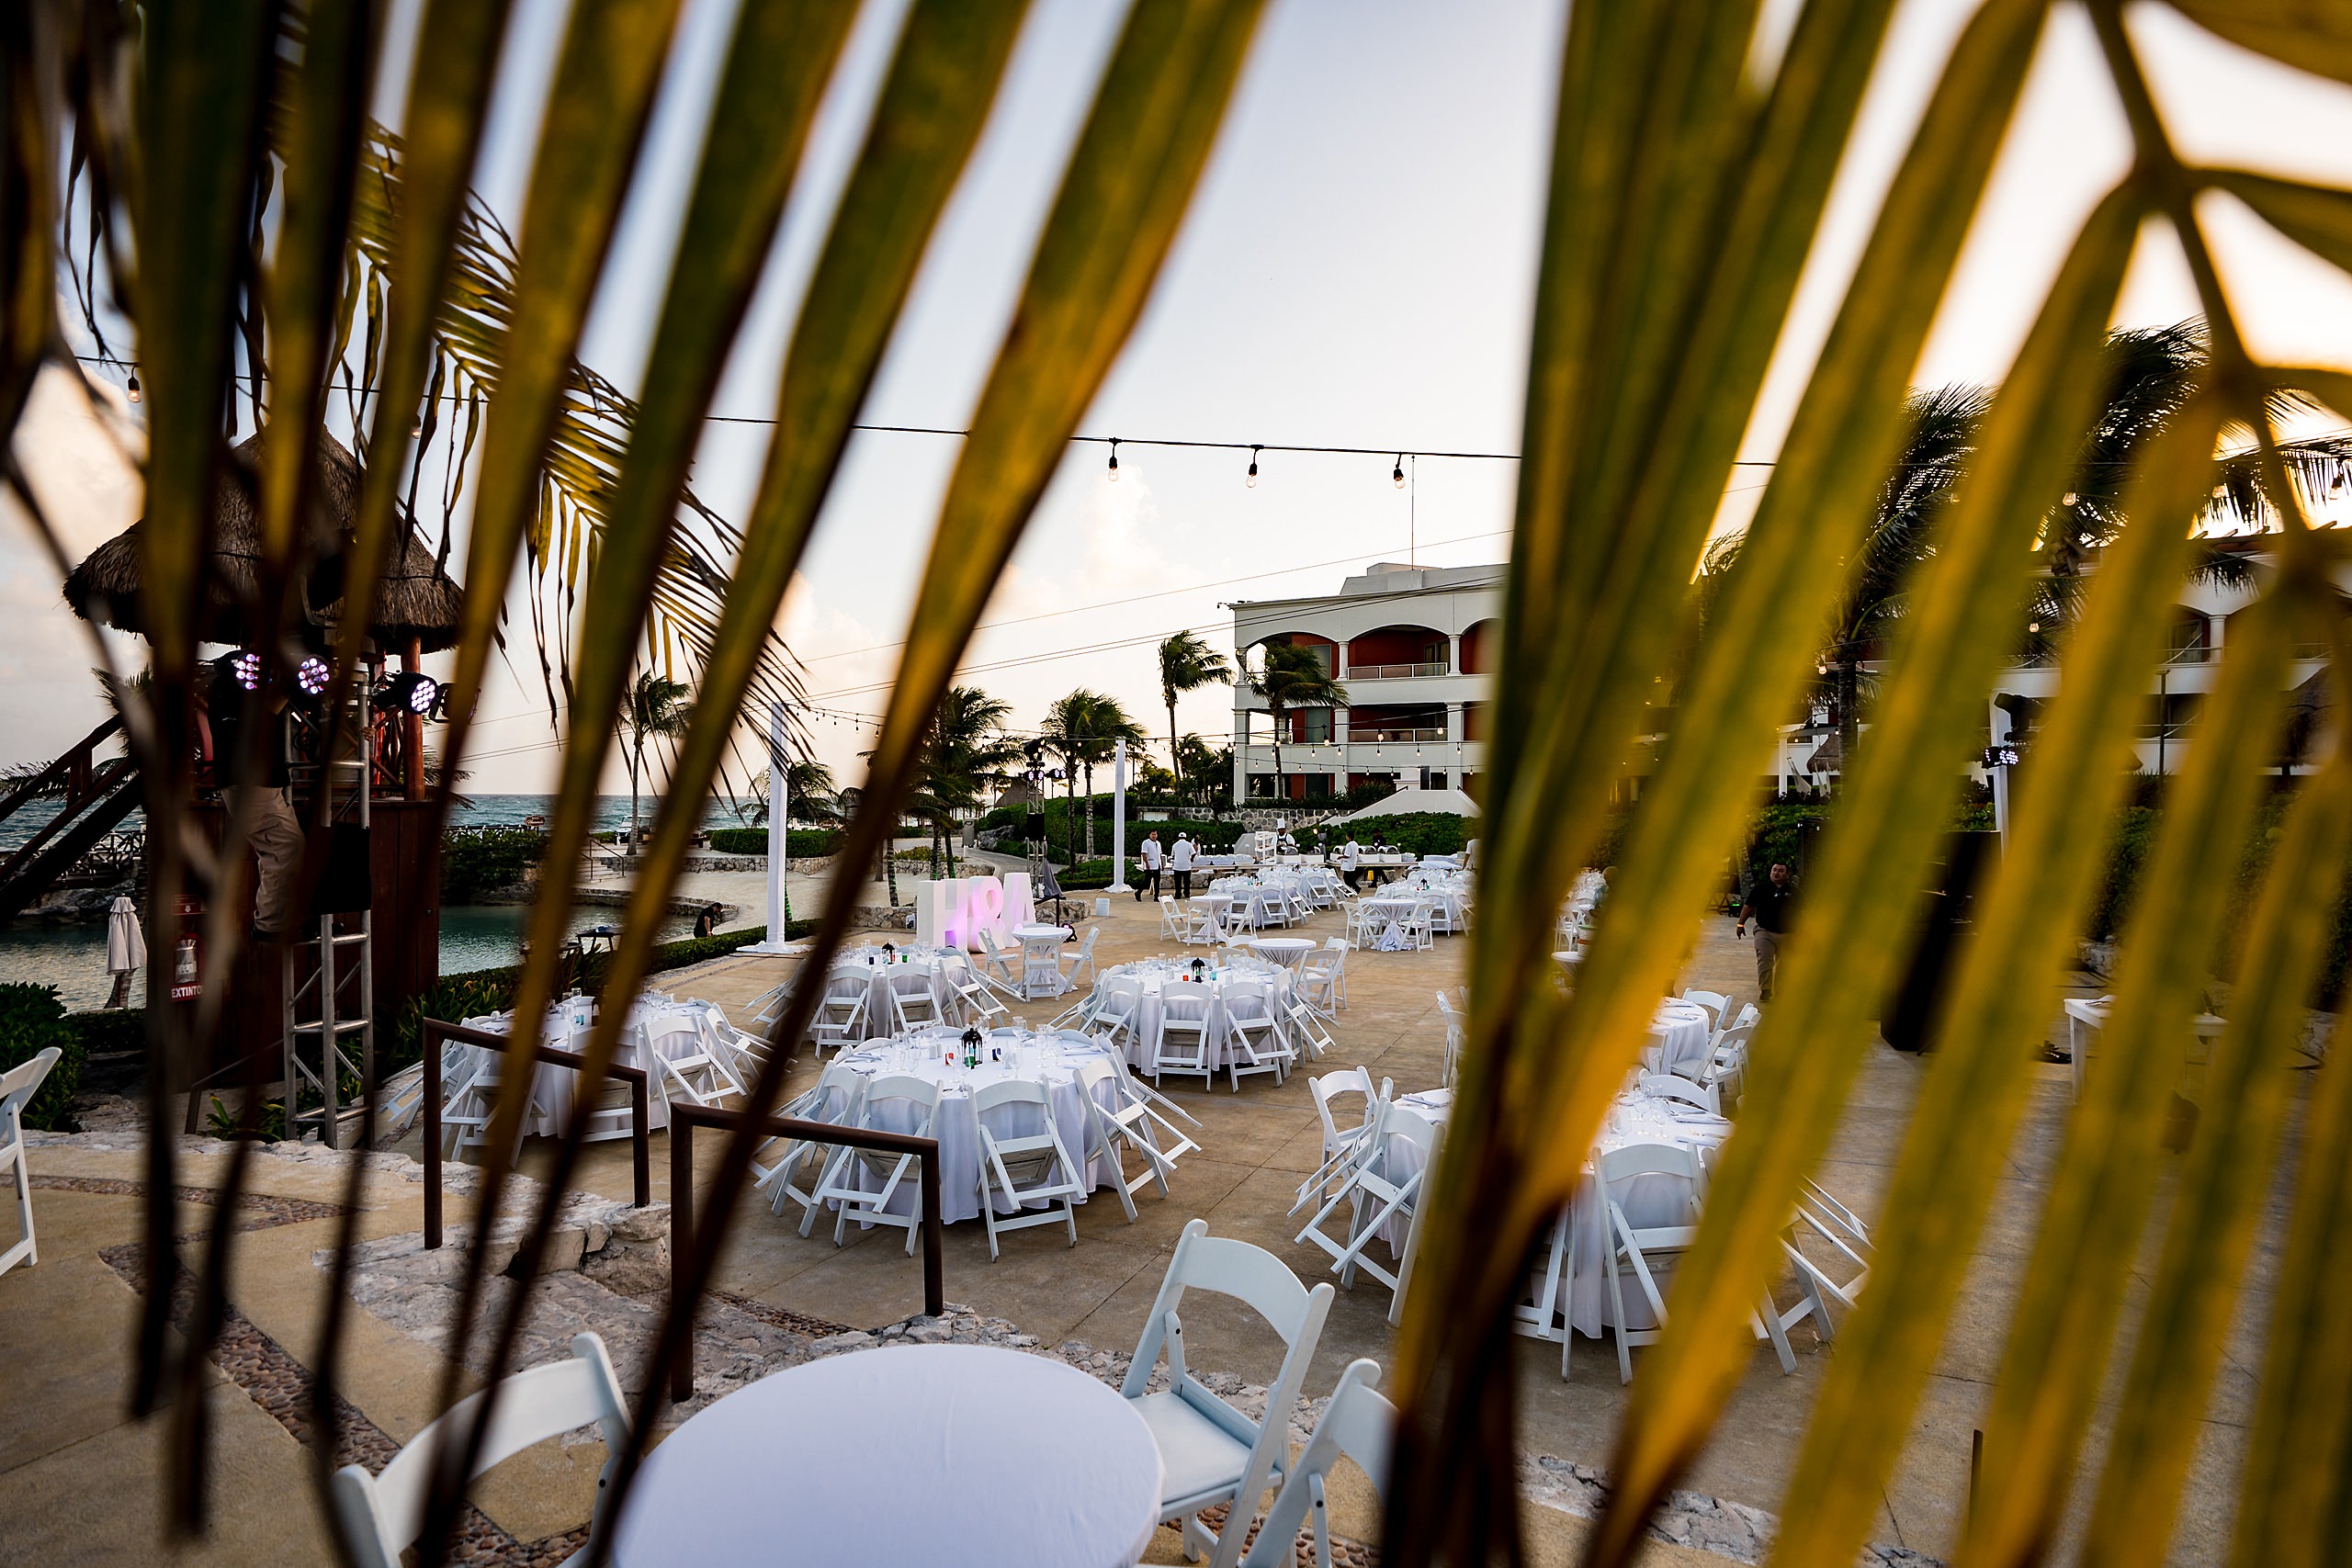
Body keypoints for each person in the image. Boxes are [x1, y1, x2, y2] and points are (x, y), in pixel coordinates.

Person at [198, 658, 303, 942]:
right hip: (252, 786)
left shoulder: (226, 701)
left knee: (277, 852)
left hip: (251, 786)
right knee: (285, 849)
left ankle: (277, 921)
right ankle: (271, 925)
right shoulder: (233, 701)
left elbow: (269, 710)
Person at [1736, 862, 1797, 1003]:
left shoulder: (1794, 892)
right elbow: (1748, 907)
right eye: (1774, 870)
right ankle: (1766, 990)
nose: (1776, 873)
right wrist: (1740, 924)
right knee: (1765, 960)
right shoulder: (1760, 889)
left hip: (1787, 933)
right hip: (1764, 931)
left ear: (1787, 875)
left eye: (1781, 871)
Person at [1135, 829, 1163, 901]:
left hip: (1157, 864)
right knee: (1147, 881)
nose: (1154, 836)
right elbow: (1144, 853)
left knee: (1157, 881)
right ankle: (1138, 892)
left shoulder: (1158, 843)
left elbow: (1160, 854)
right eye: (1153, 834)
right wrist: (1146, 863)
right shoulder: (1146, 843)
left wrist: (1162, 864)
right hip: (1150, 864)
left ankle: (1156, 896)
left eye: (1155, 834)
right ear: (1150, 835)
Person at [1170, 831, 1197, 899]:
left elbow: (1172, 855)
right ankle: (1187, 893)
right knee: (1186, 882)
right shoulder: (1189, 844)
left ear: (1178, 837)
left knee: (1178, 882)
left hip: (1177, 866)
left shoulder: (1175, 845)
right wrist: (1191, 859)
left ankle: (1178, 894)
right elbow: (1194, 853)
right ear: (1185, 837)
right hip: (1186, 866)